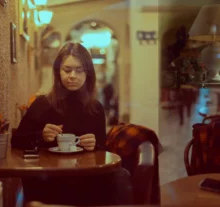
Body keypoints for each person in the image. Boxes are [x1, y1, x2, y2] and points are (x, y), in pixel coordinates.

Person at [12, 42, 131, 205]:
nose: (72, 75)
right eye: (67, 70)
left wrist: (94, 145)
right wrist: (40, 136)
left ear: (88, 73)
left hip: (85, 177)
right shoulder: (42, 104)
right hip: (51, 178)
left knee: (121, 176)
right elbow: (16, 140)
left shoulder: (96, 108)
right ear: (58, 72)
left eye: (79, 70)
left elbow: (102, 150)